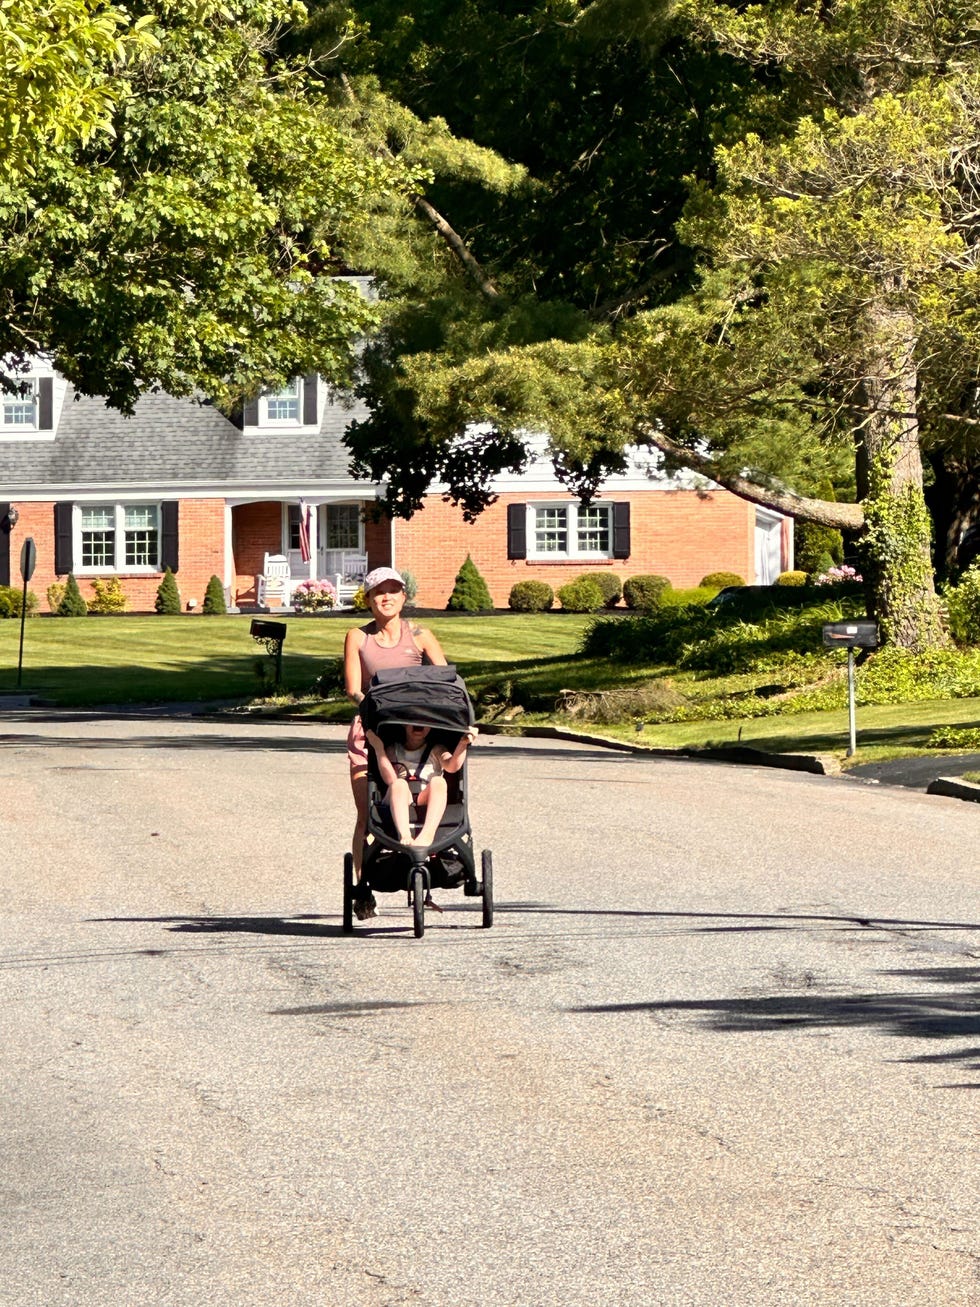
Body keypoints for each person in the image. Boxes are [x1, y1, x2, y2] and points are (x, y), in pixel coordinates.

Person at [344, 567, 447, 917]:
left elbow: (446, 681)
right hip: (371, 730)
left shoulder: (420, 635)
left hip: (414, 729)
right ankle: (362, 888)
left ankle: (422, 870)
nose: (385, 598)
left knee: (424, 794)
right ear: (369, 600)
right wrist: (377, 708)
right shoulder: (358, 637)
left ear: (404, 597)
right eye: (378, 593)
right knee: (366, 814)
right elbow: (353, 688)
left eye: (392, 591)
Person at [365, 721, 477, 848]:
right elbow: (390, 779)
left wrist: (462, 744)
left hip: (425, 796)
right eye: (412, 722)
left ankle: (427, 834)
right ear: (404, 724)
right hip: (400, 796)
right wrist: (379, 749)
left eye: (424, 723)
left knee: (438, 781)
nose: (418, 726)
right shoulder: (393, 749)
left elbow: (452, 766)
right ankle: (405, 834)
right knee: (399, 783)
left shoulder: (437, 750)